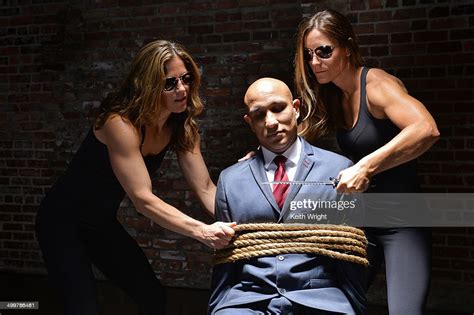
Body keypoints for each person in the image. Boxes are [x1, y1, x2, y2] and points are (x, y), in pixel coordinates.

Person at [35, 40, 236, 315]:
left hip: (100, 223)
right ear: (148, 84)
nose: (182, 89)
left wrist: (245, 221)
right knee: (83, 309)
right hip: (60, 221)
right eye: (170, 83)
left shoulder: (182, 126)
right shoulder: (119, 123)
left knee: (152, 297)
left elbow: (204, 188)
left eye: (186, 79)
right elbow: (142, 200)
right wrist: (202, 231)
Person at [294, 9, 440, 315]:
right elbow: (299, 134)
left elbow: (426, 129)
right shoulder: (334, 93)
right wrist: (262, 153)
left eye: (324, 51)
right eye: (309, 54)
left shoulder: (376, 85)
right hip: (363, 221)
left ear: (347, 46)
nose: (315, 62)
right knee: (331, 305)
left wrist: (365, 166)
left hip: (403, 221)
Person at [209, 78, 366, 315]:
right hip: (248, 300)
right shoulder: (231, 180)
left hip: (319, 299)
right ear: (249, 122)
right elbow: (226, 258)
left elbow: (349, 249)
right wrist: (219, 306)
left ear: (296, 108)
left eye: (278, 108)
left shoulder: (339, 170)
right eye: (259, 115)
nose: (270, 122)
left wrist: (354, 306)